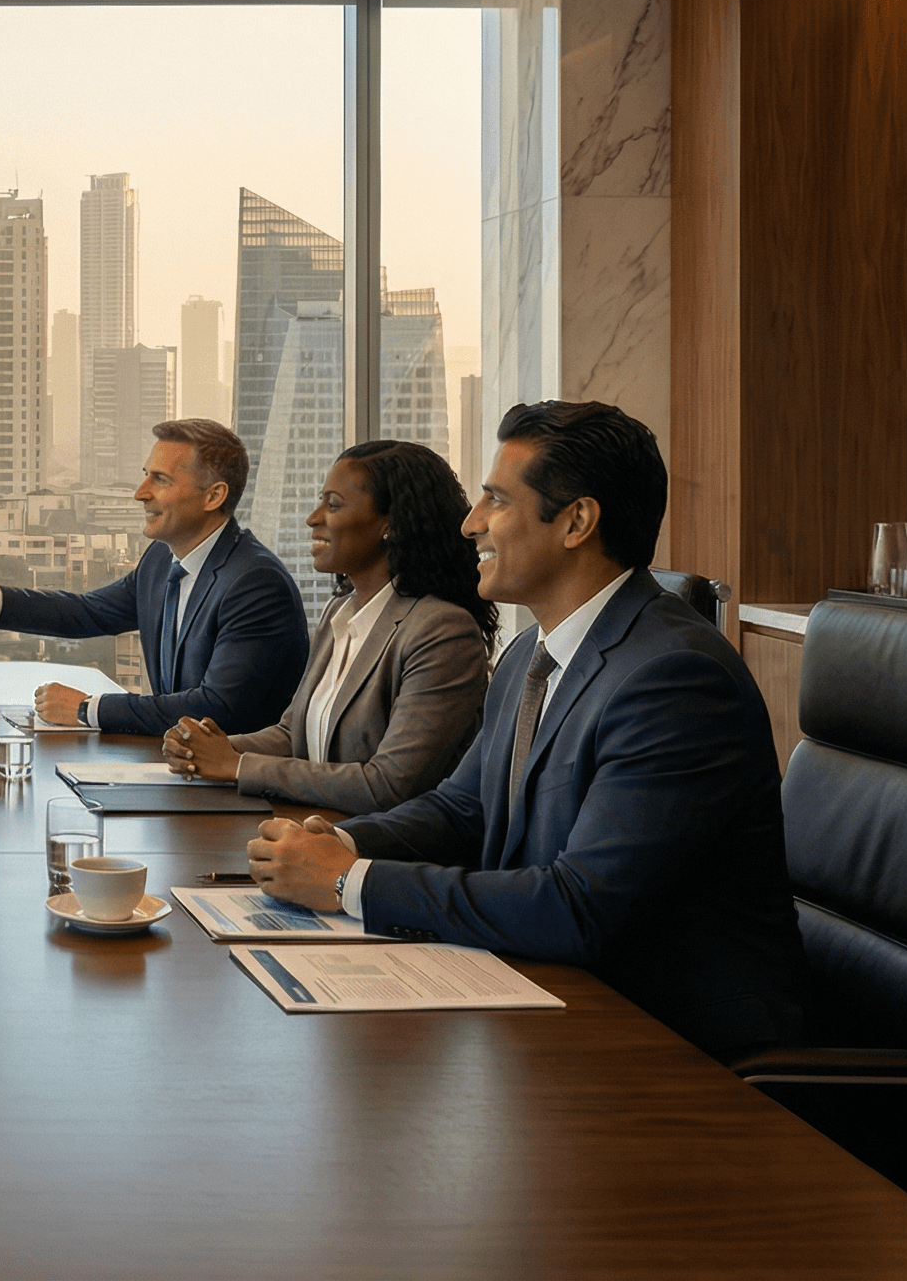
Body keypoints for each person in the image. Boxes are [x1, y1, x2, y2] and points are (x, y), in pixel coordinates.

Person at [245, 400, 809, 1063]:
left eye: (496, 501)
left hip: (675, 1047)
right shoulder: (529, 655)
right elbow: (464, 806)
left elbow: (579, 908)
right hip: (553, 1003)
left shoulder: (673, 679)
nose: (471, 523)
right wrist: (337, 841)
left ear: (576, 521)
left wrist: (350, 882)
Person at [161, 440, 495, 813]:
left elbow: (389, 785)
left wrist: (236, 765)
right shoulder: (340, 611)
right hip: (311, 830)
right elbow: (293, 734)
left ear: (391, 525)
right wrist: (210, 747)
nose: (313, 518)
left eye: (333, 504)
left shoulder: (441, 632)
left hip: (378, 859)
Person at [0, 418, 307, 736]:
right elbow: (86, 612)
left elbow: (217, 710)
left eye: (160, 480)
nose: (140, 493)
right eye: (145, 476)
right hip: (182, 774)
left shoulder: (255, 583)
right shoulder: (161, 560)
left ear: (213, 496)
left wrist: (89, 709)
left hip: (244, 800)